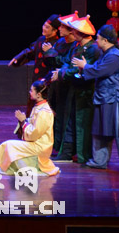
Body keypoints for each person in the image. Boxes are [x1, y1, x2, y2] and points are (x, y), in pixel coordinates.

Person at [50, 14, 100, 163]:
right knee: (69, 122)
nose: (72, 32)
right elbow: (68, 62)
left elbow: (82, 70)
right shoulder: (78, 47)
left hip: (86, 92)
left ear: (80, 33)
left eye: (74, 31)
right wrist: (61, 71)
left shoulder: (93, 49)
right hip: (75, 90)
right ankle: (67, 153)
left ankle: (83, 155)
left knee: (82, 125)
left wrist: (62, 73)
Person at [72, 24, 119, 169]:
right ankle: (99, 161)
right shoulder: (105, 54)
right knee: (100, 130)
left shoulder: (115, 56)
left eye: (98, 38)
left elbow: (100, 70)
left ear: (105, 40)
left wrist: (85, 66)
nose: (96, 41)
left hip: (114, 99)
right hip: (103, 97)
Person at [0, 80, 60, 176]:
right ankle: (10, 168)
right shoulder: (38, 107)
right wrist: (23, 121)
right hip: (36, 143)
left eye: (32, 91)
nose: (29, 92)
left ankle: (16, 169)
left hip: (40, 146)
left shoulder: (44, 111)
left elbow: (34, 134)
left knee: (9, 145)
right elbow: (33, 126)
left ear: (39, 94)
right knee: (8, 144)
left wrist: (24, 121)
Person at [9, 14, 61, 118]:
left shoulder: (58, 44)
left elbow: (57, 63)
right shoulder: (40, 40)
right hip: (36, 80)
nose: (44, 28)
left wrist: (50, 52)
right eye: (44, 25)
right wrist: (18, 58)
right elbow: (30, 51)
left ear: (55, 31)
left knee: (46, 109)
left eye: (47, 27)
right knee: (32, 107)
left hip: (48, 82)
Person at [43, 12, 79, 152]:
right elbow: (53, 62)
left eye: (63, 27)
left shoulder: (75, 45)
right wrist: (50, 54)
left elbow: (67, 63)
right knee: (56, 115)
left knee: (66, 117)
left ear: (71, 30)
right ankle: (57, 146)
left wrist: (52, 53)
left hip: (68, 85)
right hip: (57, 84)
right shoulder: (60, 42)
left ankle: (67, 149)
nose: (59, 29)